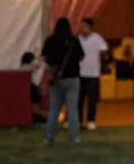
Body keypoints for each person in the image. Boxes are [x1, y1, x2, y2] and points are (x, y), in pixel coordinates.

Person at [42, 17, 84, 146]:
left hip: (56, 79)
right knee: (72, 110)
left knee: (54, 108)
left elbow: (44, 56)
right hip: (72, 78)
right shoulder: (74, 40)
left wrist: (53, 67)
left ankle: (49, 137)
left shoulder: (50, 40)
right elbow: (81, 56)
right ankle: (73, 138)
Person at [77, 18, 108, 131]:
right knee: (79, 99)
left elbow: (103, 52)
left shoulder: (98, 38)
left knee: (92, 99)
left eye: (84, 26)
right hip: (80, 73)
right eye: (81, 26)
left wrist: (102, 63)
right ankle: (80, 121)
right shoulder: (78, 39)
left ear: (90, 27)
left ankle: (91, 120)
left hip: (93, 74)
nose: (82, 28)